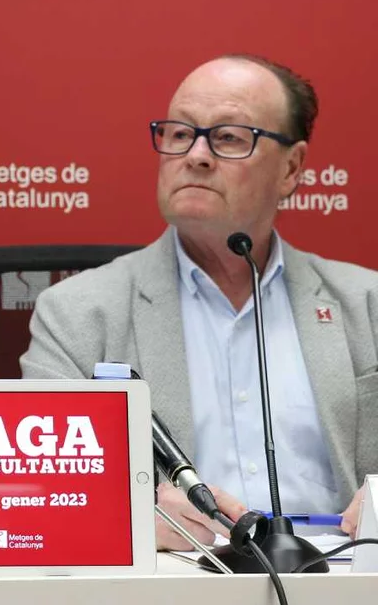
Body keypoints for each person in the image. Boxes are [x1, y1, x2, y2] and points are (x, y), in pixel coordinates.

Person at [20, 55, 378, 550]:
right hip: (170, 586)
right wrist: (129, 513)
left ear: (291, 168)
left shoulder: (368, 305)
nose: (197, 155)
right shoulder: (77, 314)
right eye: (180, 134)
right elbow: (42, 492)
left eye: (229, 137)